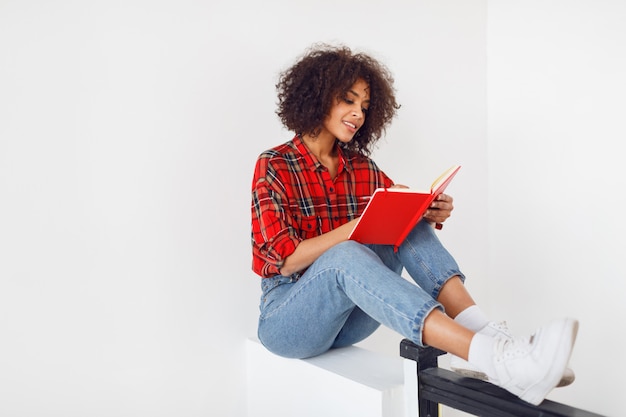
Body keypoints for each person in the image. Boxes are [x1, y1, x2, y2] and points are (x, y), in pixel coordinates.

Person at [250, 44, 578, 406]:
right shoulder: (275, 165)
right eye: (348, 100)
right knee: (345, 253)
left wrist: (428, 209)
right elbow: (286, 261)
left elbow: (397, 216)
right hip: (288, 321)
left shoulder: (361, 168)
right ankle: (492, 357)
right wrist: (357, 227)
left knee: (404, 218)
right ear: (317, 97)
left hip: (347, 321)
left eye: (364, 106)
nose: (358, 113)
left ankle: (483, 332)